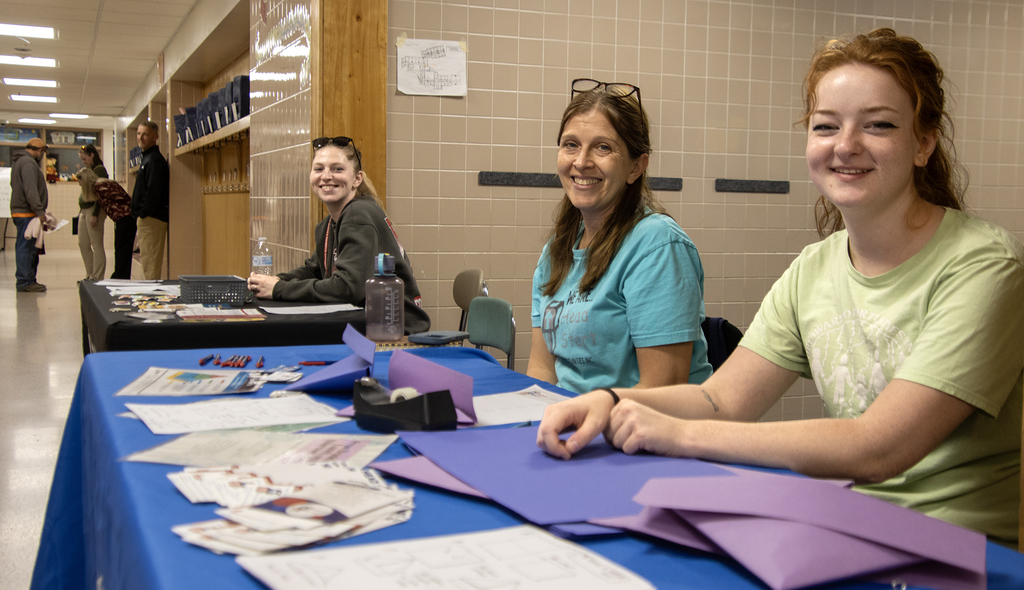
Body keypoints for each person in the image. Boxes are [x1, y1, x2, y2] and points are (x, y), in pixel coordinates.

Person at [537, 29, 1024, 548]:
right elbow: (721, 399)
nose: (846, 145)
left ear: (923, 143)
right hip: (845, 526)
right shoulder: (814, 268)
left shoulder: (985, 267)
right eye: (826, 126)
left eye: (879, 125)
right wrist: (609, 401)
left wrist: (679, 434)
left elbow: (878, 447)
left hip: (951, 550)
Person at [527, 78, 712, 394]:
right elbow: (542, 369)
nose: (581, 162)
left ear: (636, 167)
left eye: (603, 147)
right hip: (572, 424)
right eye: (571, 144)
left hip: (639, 433)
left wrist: (584, 421)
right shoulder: (556, 251)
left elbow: (661, 390)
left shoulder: (657, 246)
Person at [247, 136, 431, 334]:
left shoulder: (358, 215)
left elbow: (347, 288)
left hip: (397, 335)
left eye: (337, 169)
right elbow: (313, 270)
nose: (326, 176)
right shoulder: (329, 224)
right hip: (366, 325)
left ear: (357, 179)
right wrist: (273, 281)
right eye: (319, 169)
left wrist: (279, 289)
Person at [10, 138, 51, 292]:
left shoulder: (19, 162)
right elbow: (30, 189)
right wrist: (39, 211)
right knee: (25, 248)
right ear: (39, 150)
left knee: (28, 247)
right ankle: (25, 281)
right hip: (27, 213)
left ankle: (28, 280)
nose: (42, 156)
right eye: (42, 152)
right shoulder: (28, 163)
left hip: (23, 211)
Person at [130, 121, 170, 280]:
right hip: (147, 218)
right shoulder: (146, 159)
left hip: (152, 219)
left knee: (151, 263)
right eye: (139, 134)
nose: (141, 138)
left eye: (145, 134)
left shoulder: (154, 160)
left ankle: (153, 300)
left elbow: (153, 192)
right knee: (147, 261)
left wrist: (144, 213)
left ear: (155, 137)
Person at [76, 145, 109, 281]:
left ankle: (97, 275)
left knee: (96, 244)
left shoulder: (99, 170)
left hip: (94, 210)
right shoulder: (88, 170)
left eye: (85, 158)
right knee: (82, 243)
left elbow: (100, 194)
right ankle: (90, 273)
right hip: (84, 210)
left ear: (92, 155)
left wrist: (95, 214)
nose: (83, 162)